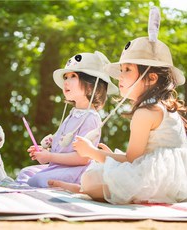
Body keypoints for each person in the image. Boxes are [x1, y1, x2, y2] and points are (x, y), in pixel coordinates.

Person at [48, 37, 187, 204]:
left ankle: (83, 189)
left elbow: (132, 161)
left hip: (157, 178)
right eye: (121, 70)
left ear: (151, 78)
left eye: (127, 70)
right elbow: (140, 156)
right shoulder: (160, 107)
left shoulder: (145, 112)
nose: (120, 76)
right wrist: (108, 156)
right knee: (100, 170)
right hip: (172, 177)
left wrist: (92, 152)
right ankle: (83, 189)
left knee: (90, 179)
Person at [16, 51, 118, 188]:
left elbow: (82, 158)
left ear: (91, 85)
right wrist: (45, 153)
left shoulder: (91, 118)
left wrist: (50, 157)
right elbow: (62, 147)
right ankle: (21, 196)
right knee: (26, 173)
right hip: (58, 167)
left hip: (76, 172)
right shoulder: (73, 113)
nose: (66, 81)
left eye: (73, 76)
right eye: (65, 77)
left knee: (38, 180)